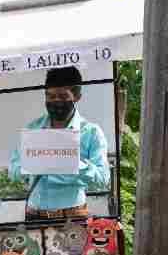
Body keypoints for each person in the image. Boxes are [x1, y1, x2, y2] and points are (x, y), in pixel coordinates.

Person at [9, 66, 110, 220]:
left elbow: (103, 179)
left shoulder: (91, 132)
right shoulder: (33, 130)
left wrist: (73, 162)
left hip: (73, 216)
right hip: (34, 215)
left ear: (77, 96)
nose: (56, 101)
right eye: (50, 96)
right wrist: (33, 163)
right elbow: (13, 171)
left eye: (62, 96)